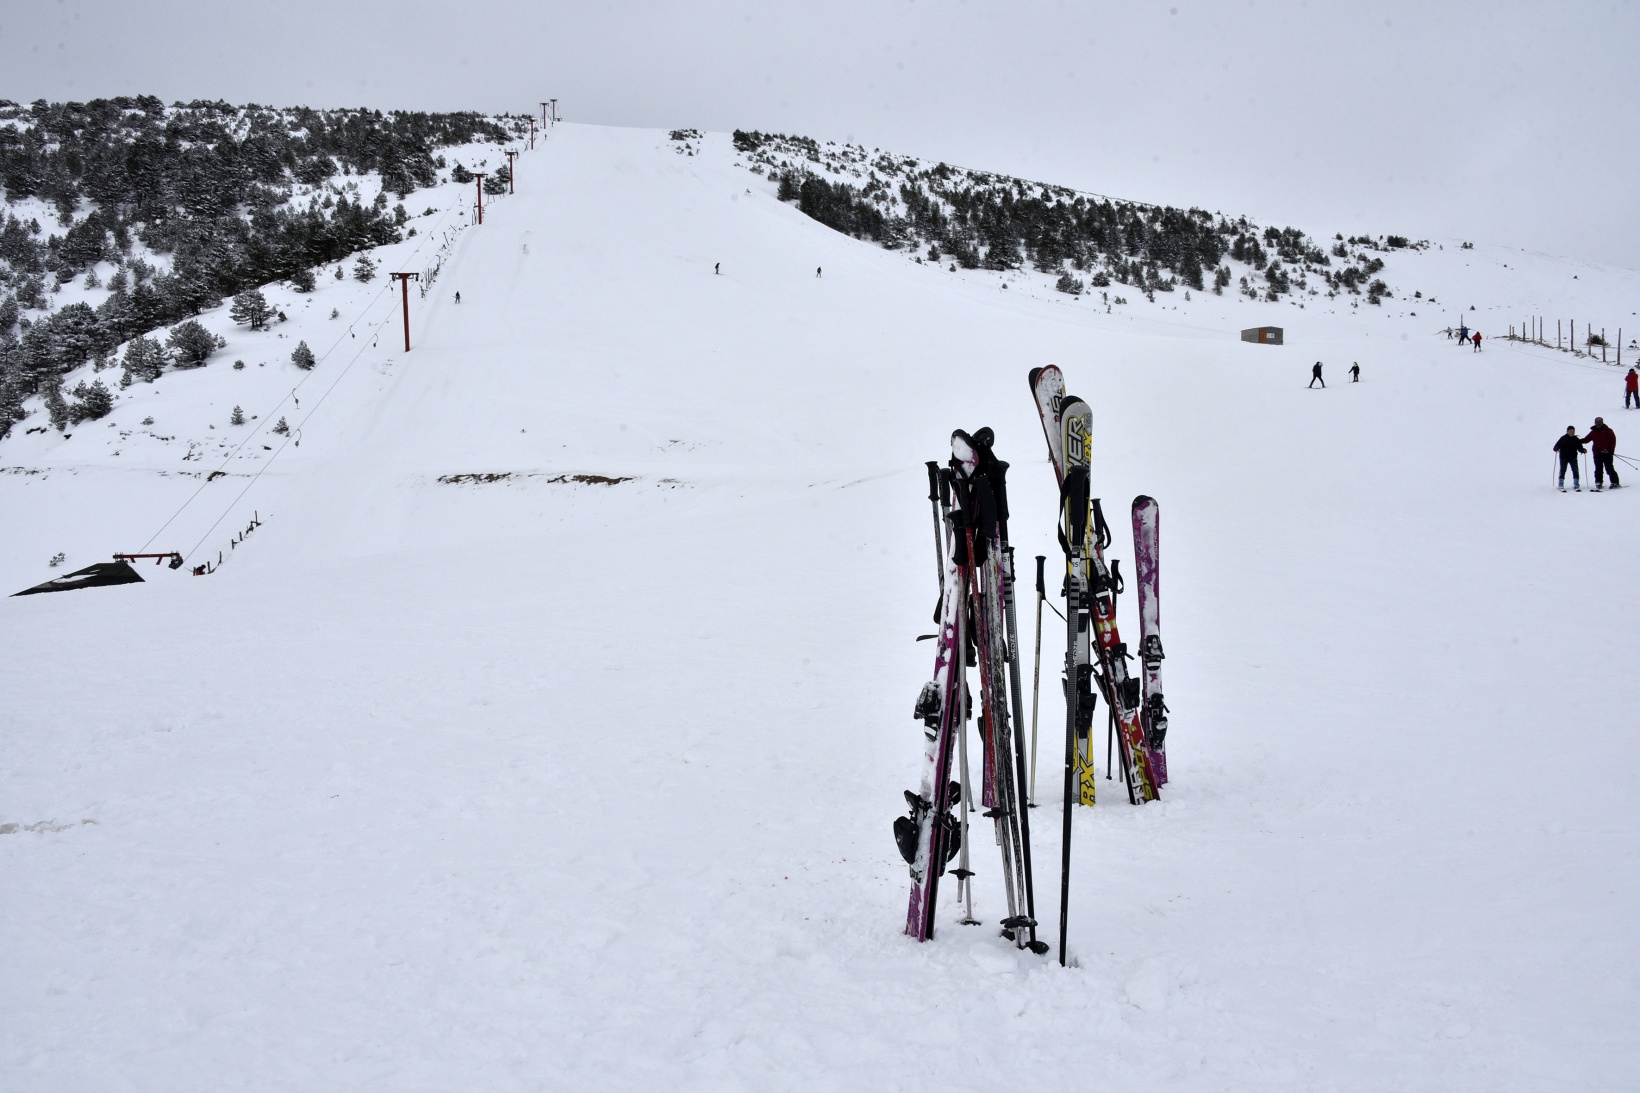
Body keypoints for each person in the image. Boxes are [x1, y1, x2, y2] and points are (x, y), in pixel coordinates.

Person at [1580, 417, 1620, 489]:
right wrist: (1576, 441)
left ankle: (1615, 482)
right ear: (1595, 423)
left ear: (1602, 422)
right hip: (1597, 454)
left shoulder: (1608, 431)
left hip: (1607, 453)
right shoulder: (1593, 432)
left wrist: (1611, 450)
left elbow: (1613, 441)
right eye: (1597, 422)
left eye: (1600, 421)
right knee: (1598, 469)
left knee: (1609, 468)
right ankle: (1598, 482)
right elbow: (1586, 439)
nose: (1599, 423)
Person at [1553, 427, 1585, 491]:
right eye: (1570, 431)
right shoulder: (1563, 438)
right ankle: (1561, 484)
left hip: (1573, 457)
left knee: (1575, 470)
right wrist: (1556, 448)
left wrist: (1583, 450)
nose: (1572, 432)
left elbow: (1579, 447)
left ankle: (1576, 484)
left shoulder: (1576, 439)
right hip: (1564, 457)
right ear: (1567, 431)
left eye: (1573, 431)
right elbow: (1557, 445)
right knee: (1563, 470)